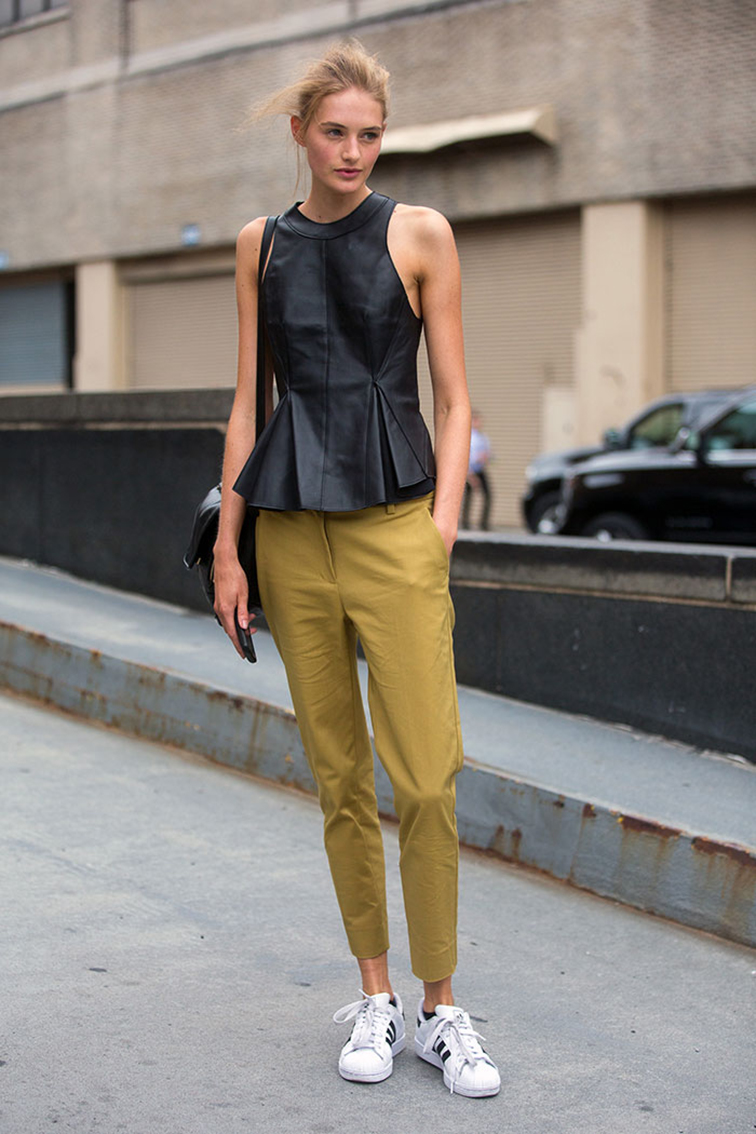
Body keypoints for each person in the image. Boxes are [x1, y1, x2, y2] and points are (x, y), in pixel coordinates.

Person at [212, 41, 500, 1098]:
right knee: (340, 777)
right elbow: (248, 404)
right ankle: (374, 995)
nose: (353, 151)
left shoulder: (421, 232)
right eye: (333, 131)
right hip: (290, 532)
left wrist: (439, 535)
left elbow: (458, 397)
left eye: (369, 134)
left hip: (394, 528)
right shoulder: (258, 246)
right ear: (300, 134)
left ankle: (442, 1007)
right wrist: (231, 548)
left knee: (426, 774)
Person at [462, 411, 492, 530]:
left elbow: (489, 454)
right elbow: (465, 457)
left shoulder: (483, 437)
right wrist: (470, 476)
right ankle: (465, 523)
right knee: (468, 497)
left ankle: (483, 523)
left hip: (480, 470)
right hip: (469, 471)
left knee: (488, 495)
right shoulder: (468, 437)